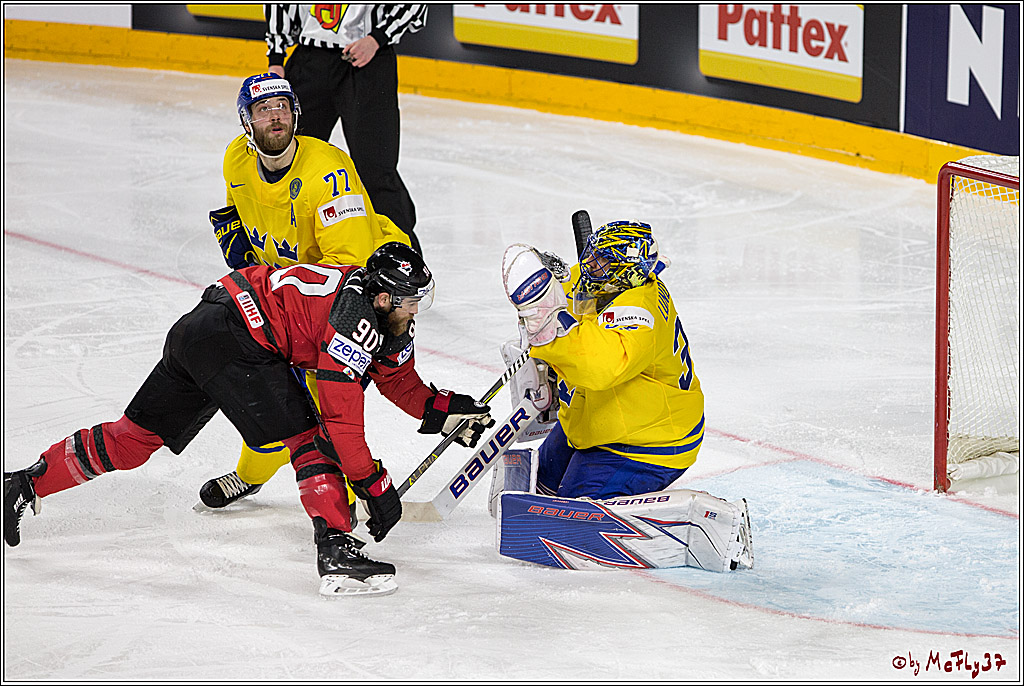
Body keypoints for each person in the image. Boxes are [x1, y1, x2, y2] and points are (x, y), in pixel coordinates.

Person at [3, 243, 494, 596]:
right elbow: (342, 425)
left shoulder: (372, 305)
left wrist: (446, 407)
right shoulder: (355, 322)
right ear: (384, 299)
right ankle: (337, 553)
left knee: (133, 440)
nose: (415, 312)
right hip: (238, 340)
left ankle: (23, 483)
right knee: (313, 441)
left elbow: (399, 381)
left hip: (201, 329)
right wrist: (373, 483)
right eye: (409, 302)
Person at [201, 72, 414, 512]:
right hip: (292, 294)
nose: (275, 118)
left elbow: (350, 272)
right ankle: (249, 476)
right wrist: (256, 284)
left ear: (295, 113)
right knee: (276, 398)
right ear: (248, 123)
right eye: (264, 110)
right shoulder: (236, 160)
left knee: (329, 406)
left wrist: (288, 313)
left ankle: (355, 497)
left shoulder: (328, 172)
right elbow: (231, 218)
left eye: (282, 107)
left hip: (365, 296)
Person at [499, 220, 752, 570]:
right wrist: (553, 286)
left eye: (602, 263)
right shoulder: (608, 283)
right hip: (596, 422)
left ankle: (690, 525)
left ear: (625, 271)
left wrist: (549, 329)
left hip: (647, 441)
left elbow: (600, 367)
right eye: (593, 259)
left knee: (564, 527)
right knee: (540, 487)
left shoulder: (639, 312)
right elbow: (574, 288)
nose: (590, 268)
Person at [265, 4, 426, 253]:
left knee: (375, 169)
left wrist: (377, 38)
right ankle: (285, 252)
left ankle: (403, 261)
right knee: (290, 163)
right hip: (309, 61)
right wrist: (276, 59)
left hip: (369, 60)